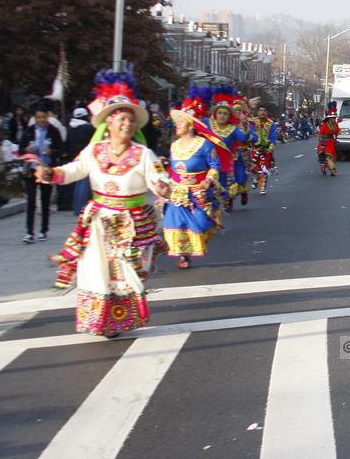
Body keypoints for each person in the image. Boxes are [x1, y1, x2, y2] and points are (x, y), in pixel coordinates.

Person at [38, 69, 170, 337]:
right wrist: (51, 174)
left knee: (126, 273)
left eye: (131, 120)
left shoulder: (143, 153)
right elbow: (75, 170)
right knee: (94, 271)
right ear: (108, 123)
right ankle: (99, 320)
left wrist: (162, 185)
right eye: (121, 119)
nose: (127, 124)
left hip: (130, 225)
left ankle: (122, 318)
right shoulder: (94, 151)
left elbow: (158, 176)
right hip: (98, 222)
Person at [162, 88, 230, 269]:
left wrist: (208, 180)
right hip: (178, 191)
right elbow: (173, 169)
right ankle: (183, 255)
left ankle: (198, 240)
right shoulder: (174, 146)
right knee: (173, 222)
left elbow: (215, 166)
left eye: (180, 122)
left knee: (201, 223)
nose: (177, 125)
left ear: (191, 125)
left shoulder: (204, 145)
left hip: (199, 191)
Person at [20, 105, 64, 243]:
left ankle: (43, 230)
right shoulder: (29, 131)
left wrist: (52, 152)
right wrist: (26, 150)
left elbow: (61, 149)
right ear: (35, 118)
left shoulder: (53, 131)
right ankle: (29, 232)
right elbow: (21, 149)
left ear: (48, 117)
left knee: (45, 201)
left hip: (47, 169)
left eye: (43, 117)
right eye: (38, 117)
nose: (41, 120)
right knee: (31, 200)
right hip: (31, 169)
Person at [206, 88, 252, 209]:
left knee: (240, 179)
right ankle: (226, 202)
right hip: (214, 161)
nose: (222, 116)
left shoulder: (233, 128)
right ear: (215, 114)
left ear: (229, 116)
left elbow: (243, 138)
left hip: (232, 159)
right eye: (220, 113)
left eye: (225, 113)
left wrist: (246, 125)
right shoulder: (208, 124)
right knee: (220, 184)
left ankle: (242, 192)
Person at [250, 105, 277, 195]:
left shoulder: (271, 123)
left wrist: (271, 147)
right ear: (257, 112)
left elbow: (273, 137)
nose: (262, 112)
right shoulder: (252, 121)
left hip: (266, 149)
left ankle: (262, 187)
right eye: (260, 110)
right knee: (253, 167)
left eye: (264, 110)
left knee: (264, 169)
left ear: (267, 112)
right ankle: (256, 177)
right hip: (254, 148)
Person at [317, 102, 341, 176]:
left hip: (331, 142)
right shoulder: (324, 125)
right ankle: (332, 170)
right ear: (329, 119)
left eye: (334, 118)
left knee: (332, 157)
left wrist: (336, 138)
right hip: (324, 142)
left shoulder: (336, 125)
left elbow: (337, 132)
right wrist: (322, 144)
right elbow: (320, 134)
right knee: (327, 157)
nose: (334, 119)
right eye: (332, 118)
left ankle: (329, 169)